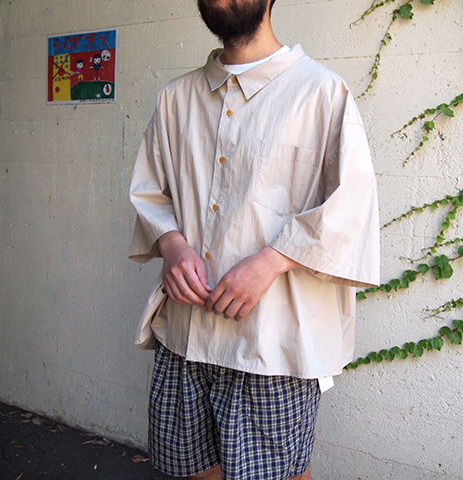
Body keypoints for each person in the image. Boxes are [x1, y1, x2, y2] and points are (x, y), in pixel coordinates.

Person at [128, 0, 380, 477]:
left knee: (281, 473)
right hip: (185, 334)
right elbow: (149, 191)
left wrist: (273, 260)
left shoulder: (321, 92)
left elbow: (353, 207)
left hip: (273, 344)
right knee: (191, 470)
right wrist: (171, 243)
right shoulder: (175, 99)